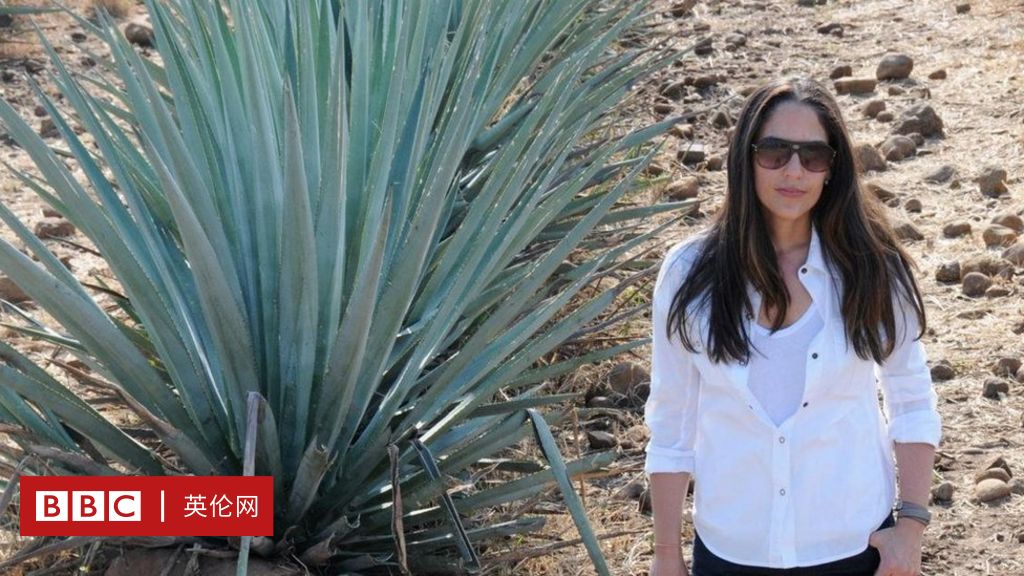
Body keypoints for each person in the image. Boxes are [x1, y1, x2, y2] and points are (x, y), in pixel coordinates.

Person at [644, 77, 941, 576]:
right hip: (730, 552)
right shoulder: (688, 275)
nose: (794, 170)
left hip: (854, 549)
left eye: (813, 156)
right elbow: (671, 422)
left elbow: (911, 397)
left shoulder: (872, 268)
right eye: (775, 152)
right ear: (745, 158)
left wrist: (910, 529)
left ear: (833, 168)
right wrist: (666, 555)